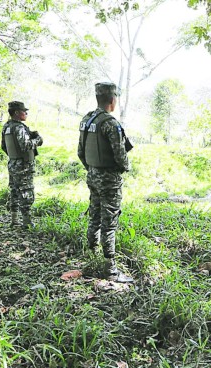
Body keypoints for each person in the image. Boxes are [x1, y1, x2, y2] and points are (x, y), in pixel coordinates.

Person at [78, 82, 133, 283]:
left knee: (94, 214)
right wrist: (125, 168)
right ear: (112, 100)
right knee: (109, 222)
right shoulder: (111, 123)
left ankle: (91, 254)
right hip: (109, 179)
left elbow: (80, 152)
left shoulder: (87, 120)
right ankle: (110, 269)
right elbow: (120, 156)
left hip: (92, 175)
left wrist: (92, 169)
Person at [1, 101, 43, 229]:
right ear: (16, 113)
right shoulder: (19, 128)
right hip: (23, 166)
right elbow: (25, 145)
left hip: (13, 163)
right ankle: (27, 222)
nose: (26, 113)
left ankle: (14, 220)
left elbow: (3, 146)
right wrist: (38, 140)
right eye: (24, 111)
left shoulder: (7, 127)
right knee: (26, 192)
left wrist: (14, 157)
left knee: (14, 191)